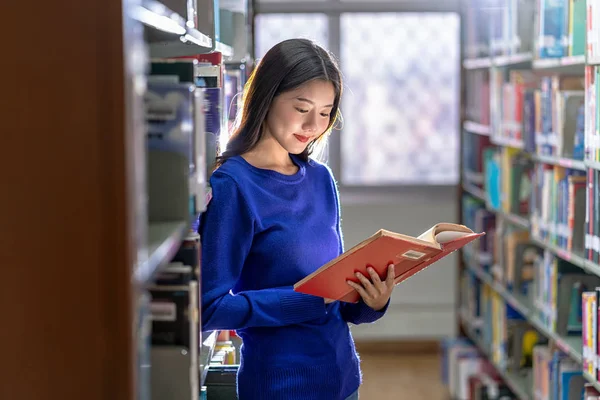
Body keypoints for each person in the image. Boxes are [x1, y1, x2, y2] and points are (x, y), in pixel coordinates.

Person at [198, 38, 395, 400]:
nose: (313, 125)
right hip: (279, 386)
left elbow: (339, 304)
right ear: (267, 97)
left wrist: (371, 301)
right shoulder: (233, 186)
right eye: (301, 107)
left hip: (343, 379)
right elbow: (209, 310)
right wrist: (306, 300)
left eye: (325, 112)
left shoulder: (320, 179)